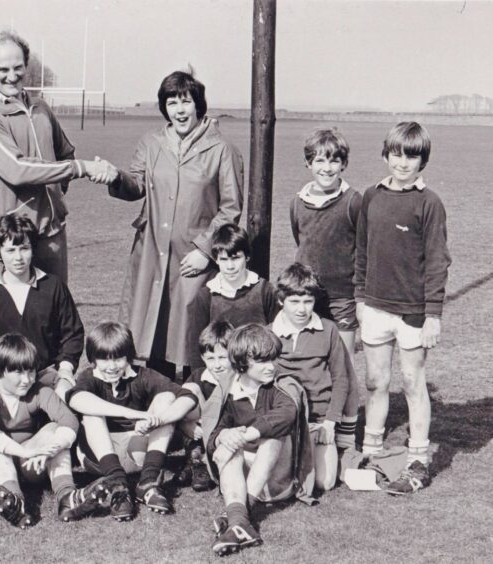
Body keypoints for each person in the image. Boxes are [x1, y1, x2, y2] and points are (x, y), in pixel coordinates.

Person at [100, 70, 244, 379]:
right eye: (171, 102)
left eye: (186, 101)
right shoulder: (152, 143)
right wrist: (116, 177)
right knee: (151, 332)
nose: (179, 110)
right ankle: (155, 400)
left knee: (193, 335)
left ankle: (199, 404)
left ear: (198, 105)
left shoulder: (222, 149)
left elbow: (231, 208)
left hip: (194, 260)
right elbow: (136, 184)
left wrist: (205, 251)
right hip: (152, 252)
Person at [0, 30, 112, 281]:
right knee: (13, 317)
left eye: (18, 67)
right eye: (2, 70)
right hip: (12, 241)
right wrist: (80, 168)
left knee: (55, 313)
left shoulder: (41, 108)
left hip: (52, 235)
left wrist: (54, 196)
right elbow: (16, 169)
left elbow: (65, 151)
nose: (12, 76)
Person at [355, 121, 451, 495]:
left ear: (422, 159)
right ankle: (371, 450)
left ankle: (418, 459)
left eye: (411, 155)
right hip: (375, 307)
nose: (403, 162)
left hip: (413, 312)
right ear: (386, 154)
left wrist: (433, 315)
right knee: (376, 382)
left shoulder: (430, 203)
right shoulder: (371, 196)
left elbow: (438, 262)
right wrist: (361, 297)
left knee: (412, 382)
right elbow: (361, 251)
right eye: (396, 154)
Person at [0, 333, 112, 527]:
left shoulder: (39, 390)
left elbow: (68, 419)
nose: (27, 379)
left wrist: (52, 447)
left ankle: (67, 497)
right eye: (18, 372)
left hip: (29, 463)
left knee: (55, 430)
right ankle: (15, 502)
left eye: (31, 371)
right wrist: (24, 451)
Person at [66, 322, 198, 520]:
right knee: (91, 413)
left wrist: (158, 420)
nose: (111, 366)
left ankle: (148, 482)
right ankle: (117, 485)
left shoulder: (143, 375)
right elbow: (75, 399)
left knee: (166, 398)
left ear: (129, 356)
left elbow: (188, 397)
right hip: (99, 456)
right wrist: (133, 414)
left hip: (138, 452)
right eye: (104, 359)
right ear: (93, 358)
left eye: (118, 358)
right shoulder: (88, 377)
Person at [0, 213, 84, 400]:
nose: (18, 257)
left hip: (44, 376)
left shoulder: (53, 286)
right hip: (0, 380)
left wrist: (65, 370)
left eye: (24, 248)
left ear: (33, 248)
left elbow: (71, 334)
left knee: (68, 399)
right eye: (10, 250)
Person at [205, 325, 297, 556]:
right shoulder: (228, 389)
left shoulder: (281, 385)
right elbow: (212, 432)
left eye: (273, 359)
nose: (271, 366)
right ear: (242, 362)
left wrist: (242, 436)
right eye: (263, 361)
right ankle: (240, 524)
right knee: (227, 443)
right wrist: (224, 437)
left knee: (273, 436)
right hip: (240, 478)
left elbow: (287, 414)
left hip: (276, 475)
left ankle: (237, 516)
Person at [270, 263, 357, 491]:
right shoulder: (269, 333)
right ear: (281, 300)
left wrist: (330, 422)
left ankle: (342, 450)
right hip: (286, 419)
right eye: (294, 302)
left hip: (319, 420)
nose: (302, 309)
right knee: (281, 477)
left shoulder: (328, 329)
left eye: (308, 302)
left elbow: (341, 379)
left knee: (325, 482)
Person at [290, 128, 361, 360]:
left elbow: (363, 250)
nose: (327, 168)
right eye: (319, 160)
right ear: (308, 163)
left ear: (344, 164)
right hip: (307, 296)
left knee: (343, 359)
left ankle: (344, 398)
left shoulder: (353, 201)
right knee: (309, 358)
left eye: (334, 161)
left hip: (343, 296)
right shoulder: (298, 202)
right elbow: (301, 240)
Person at [189, 223, 279, 369]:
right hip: (220, 373)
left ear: (247, 257)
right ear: (216, 259)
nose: (230, 267)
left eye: (236, 258)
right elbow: (196, 349)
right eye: (224, 260)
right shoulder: (206, 296)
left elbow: (277, 339)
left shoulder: (266, 291)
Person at [177, 320, 236, 492]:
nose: (217, 365)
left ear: (233, 355)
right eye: (210, 358)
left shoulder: (239, 378)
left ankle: (205, 464)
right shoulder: (199, 375)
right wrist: (186, 425)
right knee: (189, 390)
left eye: (222, 357)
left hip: (225, 431)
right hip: (201, 431)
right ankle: (196, 460)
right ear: (203, 357)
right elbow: (179, 406)